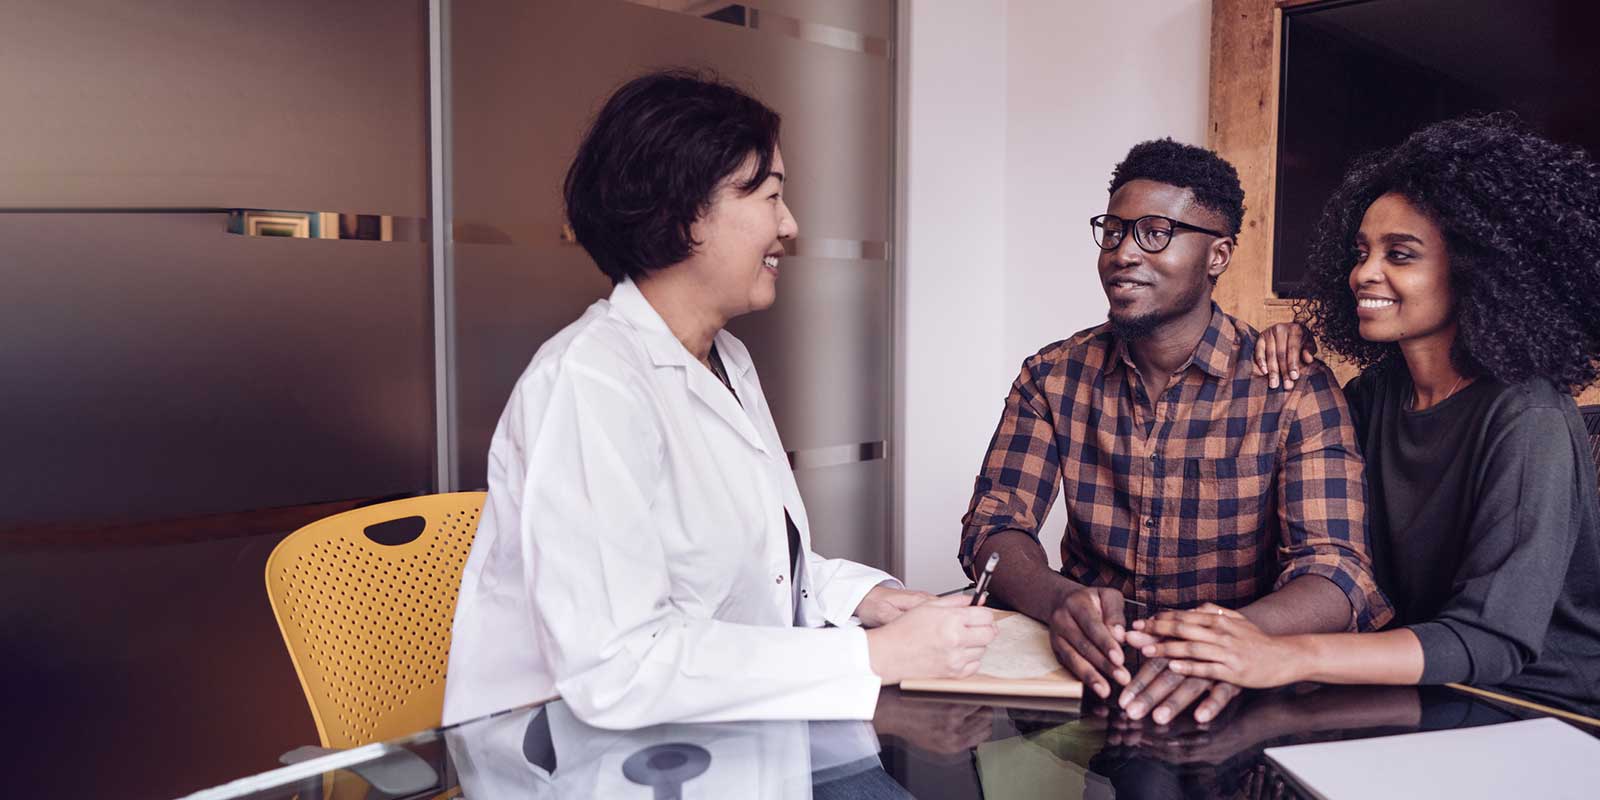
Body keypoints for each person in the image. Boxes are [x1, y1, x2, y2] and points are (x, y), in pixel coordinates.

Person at [443, 70, 996, 729]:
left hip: (708, 736)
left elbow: (747, 568)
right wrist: (871, 657)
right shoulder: (588, 385)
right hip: (567, 754)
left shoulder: (725, 358)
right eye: (767, 196)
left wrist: (866, 598)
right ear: (682, 214)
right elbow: (619, 667)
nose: (789, 225)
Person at [1134, 113, 1600, 717]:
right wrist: (1286, 378)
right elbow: (1325, 547)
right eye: (1361, 252)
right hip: (1407, 686)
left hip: (1534, 710)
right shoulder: (1375, 397)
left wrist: (1289, 656)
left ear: (1479, 269)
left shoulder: (1528, 417)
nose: (1363, 274)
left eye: (1400, 255)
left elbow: (1491, 639)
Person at [958, 139, 1392, 726]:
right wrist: (1055, 598)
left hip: (1237, 692)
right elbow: (994, 523)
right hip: (1091, 672)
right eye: (1113, 231)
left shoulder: (1292, 388)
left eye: (1155, 232)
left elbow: (1337, 571)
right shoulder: (1052, 375)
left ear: (1218, 255)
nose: (1123, 253)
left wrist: (1222, 643)